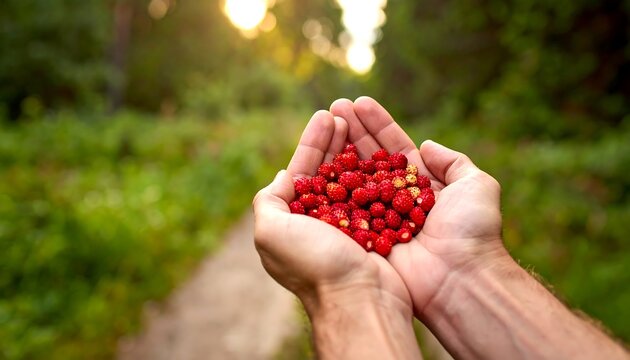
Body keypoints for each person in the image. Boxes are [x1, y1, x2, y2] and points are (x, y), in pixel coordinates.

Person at [252, 97, 628, 359]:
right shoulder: (366, 197)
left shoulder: (396, 194)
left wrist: (341, 295)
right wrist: (342, 286)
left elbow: (391, 200)